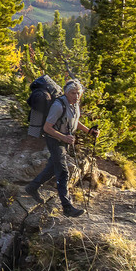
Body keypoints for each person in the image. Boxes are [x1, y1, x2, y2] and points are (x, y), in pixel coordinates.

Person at [24, 79, 94, 217]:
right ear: (67, 93)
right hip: (54, 141)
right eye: (73, 93)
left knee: (52, 168)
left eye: (78, 93)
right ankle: (67, 207)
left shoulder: (74, 104)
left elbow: (74, 120)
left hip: (64, 141)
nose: (76, 96)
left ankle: (32, 187)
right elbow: (47, 128)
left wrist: (88, 131)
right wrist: (64, 137)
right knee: (63, 172)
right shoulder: (58, 105)